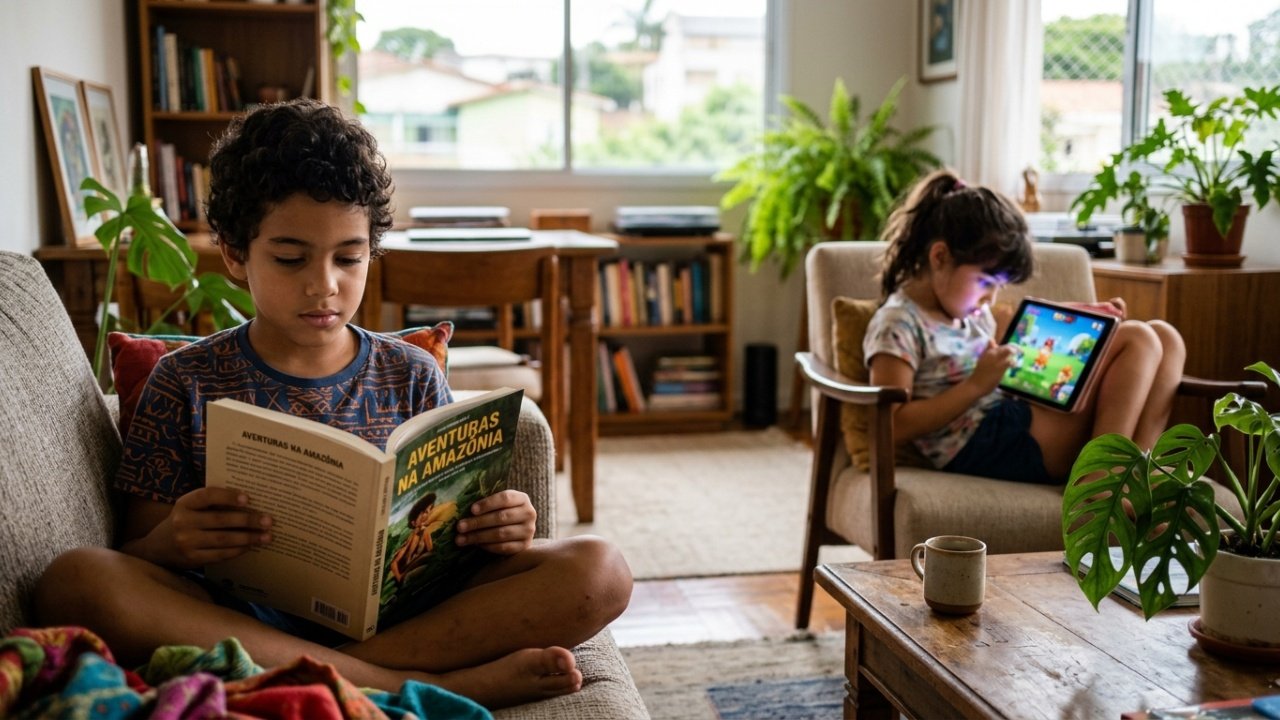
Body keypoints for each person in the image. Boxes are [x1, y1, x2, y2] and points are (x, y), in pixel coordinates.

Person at [34, 99, 633, 709]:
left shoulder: (414, 372)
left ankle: (341, 671)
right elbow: (136, 554)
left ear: (372, 251)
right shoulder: (181, 381)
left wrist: (501, 524)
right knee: (77, 580)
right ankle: (426, 687)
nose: (325, 284)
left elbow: (457, 531)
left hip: (403, 618)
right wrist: (174, 541)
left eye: (349, 258)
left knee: (600, 570)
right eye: (291, 258)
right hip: (242, 616)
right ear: (237, 254)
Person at [864, 168, 1185, 485]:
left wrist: (1092, 316)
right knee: (1138, 338)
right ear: (939, 257)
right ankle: (1097, 487)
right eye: (986, 282)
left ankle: (1138, 477)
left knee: (1166, 338)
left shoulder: (966, 310)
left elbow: (1019, 332)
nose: (990, 298)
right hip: (984, 443)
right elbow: (892, 424)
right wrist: (976, 385)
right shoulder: (898, 323)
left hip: (1015, 413)